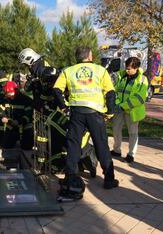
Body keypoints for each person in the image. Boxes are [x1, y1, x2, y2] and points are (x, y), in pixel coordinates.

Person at [53, 47, 119, 199]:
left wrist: (64, 107)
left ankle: (70, 177)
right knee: (101, 145)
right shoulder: (100, 70)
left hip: (76, 113)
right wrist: (110, 112)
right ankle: (109, 179)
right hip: (95, 114)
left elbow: (56, 89)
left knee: (73, 145)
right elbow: (110, 92)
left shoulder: (68, 71)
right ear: (90, 55)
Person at [110, 57, 148, 163]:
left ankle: (131, 154)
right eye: (126, 68)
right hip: (119, 109)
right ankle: (116, 150)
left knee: (133, 133)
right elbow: (115, 90)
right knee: (116, 130)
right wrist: (117, 104)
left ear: (136, 68)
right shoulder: (122, 76)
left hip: (132, 110)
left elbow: (139, 98)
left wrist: (123, 106)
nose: (127, 71)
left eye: (129, 69)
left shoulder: (142, 80)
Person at [0, 81, 34, 150]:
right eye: (8, 95)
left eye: (11, 94)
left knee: (26, 147)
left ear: (16, 91)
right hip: (12, 126)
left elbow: (29, 115)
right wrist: (2, 117)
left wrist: (19, 121)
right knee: (6, 145)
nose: (10, 97)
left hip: (24, 127)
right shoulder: (6, 100)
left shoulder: (25, 100)